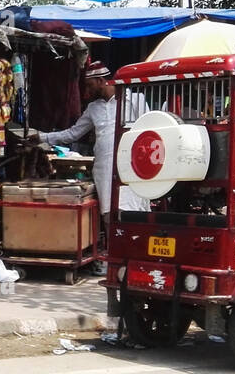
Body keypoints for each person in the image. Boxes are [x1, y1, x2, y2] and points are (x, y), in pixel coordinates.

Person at [29, 62, 149, 267]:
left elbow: (148, 129)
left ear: (102, 81)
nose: (86, 91)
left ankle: (138, 256)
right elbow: (73, 134)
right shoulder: (93, 109)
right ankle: (116, 260)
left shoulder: (135, 100)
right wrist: (42, 137)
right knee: (110, 214)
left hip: (132, 165)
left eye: (90, 85)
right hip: (105, 167)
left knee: (135, 211)